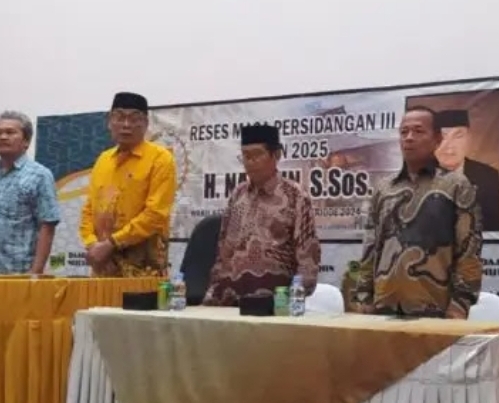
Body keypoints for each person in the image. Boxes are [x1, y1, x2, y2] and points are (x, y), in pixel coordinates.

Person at [352, 106, 483, 319]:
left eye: (418, 131)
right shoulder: (384, 189)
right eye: (404, 132)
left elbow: (469, 251)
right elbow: (370, 247)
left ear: (437, 139)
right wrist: (364, 297)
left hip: (436, 311)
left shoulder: (456, 186)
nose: (409, 138)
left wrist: (460, 304)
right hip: (382, 309)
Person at [203, 124, 321, 305]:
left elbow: (307, 260)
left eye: (257, 154)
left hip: (274, 305)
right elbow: (223, 255)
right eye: (245, 156)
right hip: (230, 303)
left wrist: (292, 302)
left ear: (276, 155)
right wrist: (211, 297)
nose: (250, 162)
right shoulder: (238, 195)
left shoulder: (295, 196)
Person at [79, 92, 177, 277]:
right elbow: (88, 210)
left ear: (146, 123)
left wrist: (111, 244)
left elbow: (156, 214)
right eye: (119, 117)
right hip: (103, 265)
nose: (126, 124)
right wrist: (93, 245)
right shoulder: (103, 160)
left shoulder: (161, 159)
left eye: (134, 118)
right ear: (109, 121)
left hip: (143, 268)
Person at [0, 111, 61, 274]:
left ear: (26, 141)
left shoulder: (40, 176)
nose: (2, 137)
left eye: (10, 132)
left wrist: (35, 273)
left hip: (16, 275)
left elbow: (47, 225)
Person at [434, 109, 499, 232]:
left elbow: (492, 227)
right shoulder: (420, 175)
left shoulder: (488, 176)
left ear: (469, 139)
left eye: (458, 136)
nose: (449, 146)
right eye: (442, 137)